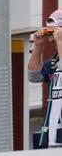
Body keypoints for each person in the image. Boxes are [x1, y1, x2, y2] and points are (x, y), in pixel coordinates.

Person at [28, 9, 62, 148]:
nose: (51, 38)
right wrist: (38, 46)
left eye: (53, 32)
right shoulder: (55, 60)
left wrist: (60, 41)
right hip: (54, 134)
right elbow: (34, 76)